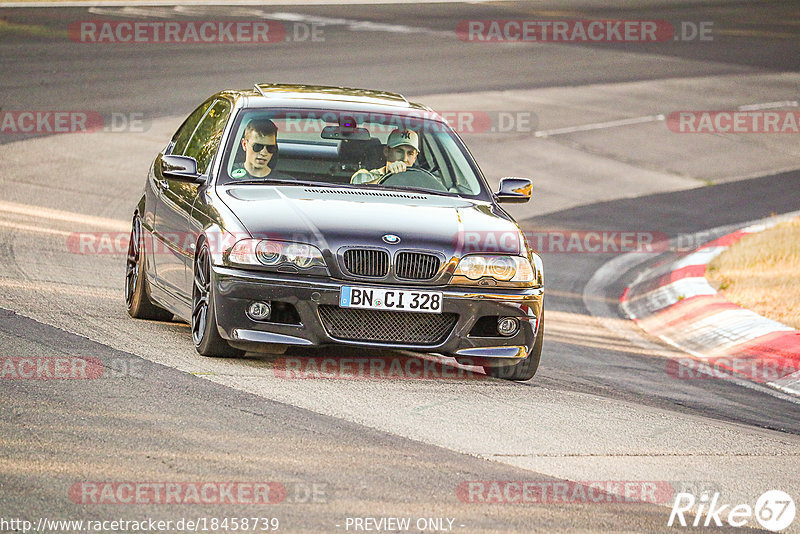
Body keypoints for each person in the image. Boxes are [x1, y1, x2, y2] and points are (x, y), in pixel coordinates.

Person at [351, 129, 419, 185]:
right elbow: (359, 195)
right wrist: (389, 176)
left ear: (415, 158)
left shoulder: (420, 181)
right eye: (399, 151)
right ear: (386, 151)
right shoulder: (365, 176)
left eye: (410, 153)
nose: (404, 159)